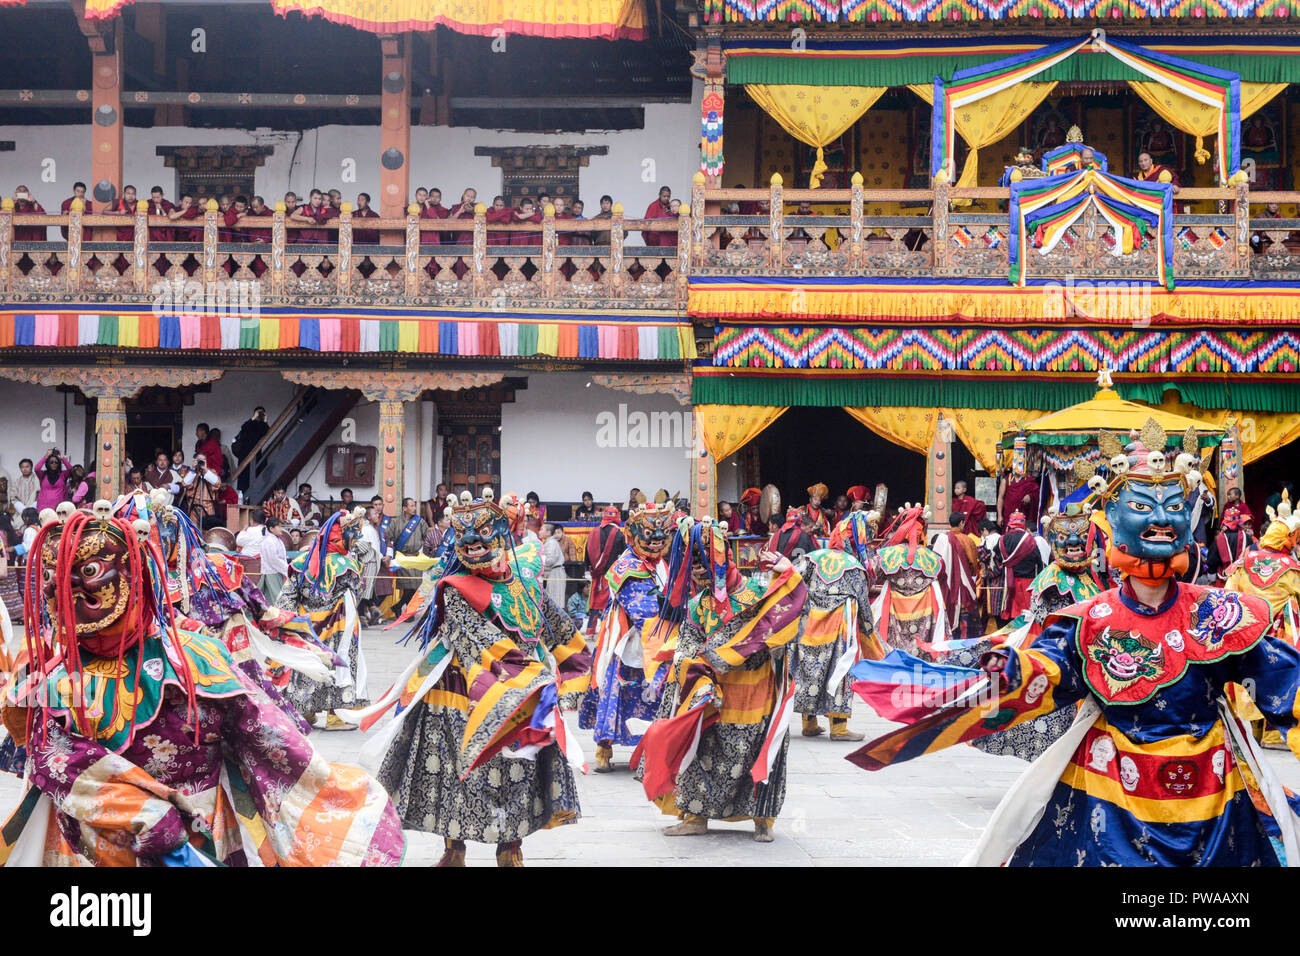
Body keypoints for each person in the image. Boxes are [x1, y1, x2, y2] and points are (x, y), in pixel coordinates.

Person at [849, 418, 1300, 867]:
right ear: (1110, 522)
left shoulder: (1220, 614)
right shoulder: (1089, 621)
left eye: (1173, 506)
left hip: (1212, 799)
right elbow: (1046, 673)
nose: (1162, 520)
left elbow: (1286, 682)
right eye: (1142, 506)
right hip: (1110, 792)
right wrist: (1006, 669)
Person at [1, 507, 404, 867]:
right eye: (54, 577)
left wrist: (331, 796)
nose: (65, 588)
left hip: (204, 833)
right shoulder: (55, 676)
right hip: (103, 846)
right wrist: (142, 813)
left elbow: (266, 739)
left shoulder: (196, 654)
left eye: (88, 571)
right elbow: (52, 761)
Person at [359, 488, 592, 867]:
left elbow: (564, 634)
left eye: (482, 540)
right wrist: (532, 678)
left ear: (500, 538)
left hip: (520, 692)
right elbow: (479, 640)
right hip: (461, 692)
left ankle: (510, 848)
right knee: (455, 772)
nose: (473, 549)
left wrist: (570, 682)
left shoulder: (527, 587)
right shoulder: (454, 589)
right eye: (465, 542)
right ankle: (454, 850)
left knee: (517, 769)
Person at [632, 518, 808, 843]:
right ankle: (696, 816)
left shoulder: (757, 593)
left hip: (757, 693)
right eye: (694, 571)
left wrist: (788, 573)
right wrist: (698, 679)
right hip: (715, 695)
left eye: (704, 568)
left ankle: (762, 820)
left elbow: (788, 618)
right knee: (701, 752)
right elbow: (686, 647)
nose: (699, 576)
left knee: (759, 756)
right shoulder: (698, 605)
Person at [966, 504, 1105, 761]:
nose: (1074, 541)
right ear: (1053, 540)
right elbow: (1041, 618)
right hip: (1061, 662)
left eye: (1081, 536)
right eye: (1064, 536)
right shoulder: (1051, 578)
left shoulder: (1094, 576)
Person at [579, 502, 675, 772]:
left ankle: (652, 746)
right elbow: (641, 609)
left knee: (654, 694)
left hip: (657, 635)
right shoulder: (626, 566)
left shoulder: (660, 564)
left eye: (661, 536)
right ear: (632, 536)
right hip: (630, 639)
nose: (656, 541)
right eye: (649, 535)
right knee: (616, 689)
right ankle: (604, 747)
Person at [790, 510, 884, 742]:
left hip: (809, 622)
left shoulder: (813, 557)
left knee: (809, 669)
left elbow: (794, 582)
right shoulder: (853, 565)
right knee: (839, 671)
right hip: (839, 626)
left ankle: (808, 723)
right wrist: (868, 628)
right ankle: (839, 727)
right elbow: (862, 600)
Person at [276, 508, 370, 729]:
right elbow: (359, 590)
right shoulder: (348, 566)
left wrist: (283, 621)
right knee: (339, 667)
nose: (355, 541)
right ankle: (336, 716)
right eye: (353, 536)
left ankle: (305, 712)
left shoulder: (302, 562)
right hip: (338, 626)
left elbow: (287, 596)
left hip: (307, 626)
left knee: (307, 667)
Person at [872, 504, 947, 658]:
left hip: (895, 607)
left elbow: (876, 573)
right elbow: (941, 573)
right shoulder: (932, 557)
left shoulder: (887, 555)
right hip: (923, 610)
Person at [929, 513, 981, 641]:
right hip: (963, 584)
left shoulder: (942, 539)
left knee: (946, 612)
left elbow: (935, 562)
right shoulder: (968, 540)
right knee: (964, 616)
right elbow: (973, 565)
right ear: (962, 523)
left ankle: (945, 638)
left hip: (945, 585)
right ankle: (964, 642)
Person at [994, 511, 1048, 624]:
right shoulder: (1029, 540)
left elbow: (997, 557)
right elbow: (1038, 560)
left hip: (1009, 581)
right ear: (1023, 524)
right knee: (1027, 613)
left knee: (1011, 613)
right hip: (1028, 583)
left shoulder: (1002, 540)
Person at [583, 504, 625, 634]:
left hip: (596, 574)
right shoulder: (619, 534)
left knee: (595, 603)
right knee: (610, 602)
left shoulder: (594, 531)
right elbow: (623, 557)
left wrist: (588, 569)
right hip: (612, 576)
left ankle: (590, 630)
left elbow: (587, 551)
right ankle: (605, 631)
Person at [386, 497, 428, 612]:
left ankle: (398, 607)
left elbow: (427, 537)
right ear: (405, 508)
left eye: (414, 505)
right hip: (403, 557)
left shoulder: (420, 521)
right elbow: (388, 537)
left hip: (416, 557)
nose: (414, 508)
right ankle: (408, 611)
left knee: (415, 586)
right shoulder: (396, 522)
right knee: (407, 586)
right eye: (411, 506)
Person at [1208, 507, 1256, 586]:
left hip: (1223, 581)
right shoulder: (1247, 538)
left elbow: (1212, 561)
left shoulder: (1219, 539)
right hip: (1242, 581)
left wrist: (1212, 580)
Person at [231, 406, 269, 494]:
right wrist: (253, 418)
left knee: (256, 480)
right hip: (245, 456)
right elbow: (243, 427)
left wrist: (265, 420)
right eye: (258, 413)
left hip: (256, 456)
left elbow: (266, 433)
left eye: (261, 413)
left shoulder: (262, 426)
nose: (260, 415)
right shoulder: (249, 425)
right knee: (244, 482)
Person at [178, 453, 221, 529]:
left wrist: (205, 470)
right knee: (194, 531)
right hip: (194, 506)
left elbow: (217, 483)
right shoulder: (191, 472)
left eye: (203, 460)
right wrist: (193, 470)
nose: (201, 462)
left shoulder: (211, 471)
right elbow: (184, 483)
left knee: (208, 531)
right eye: (199, 460)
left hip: (208, 506)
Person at [542, 523, 568, 606]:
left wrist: (540, 562)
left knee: (556, 599)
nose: (539, 532)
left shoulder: (551, 543)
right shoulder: (549, 542)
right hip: (552, 572)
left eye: (541, 529)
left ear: (548, 532)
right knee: (553, 598)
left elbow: (550, 560)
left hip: (555, 572)